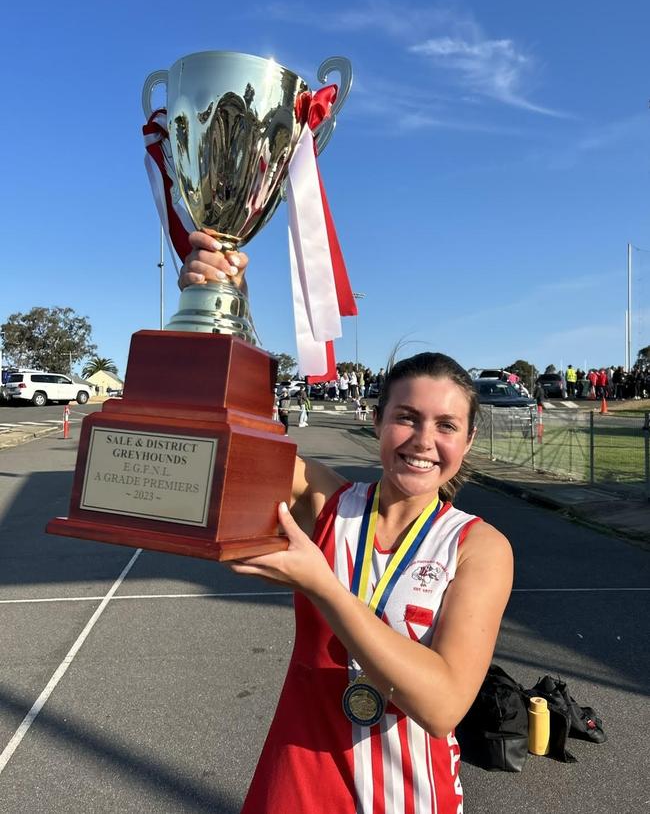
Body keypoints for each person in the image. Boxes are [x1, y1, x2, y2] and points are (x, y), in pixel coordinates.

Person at [180, 230, 514, 814]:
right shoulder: (327, 500)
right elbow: (235, 428)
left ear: (468, 438)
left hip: (409, 791)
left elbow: (442, 706)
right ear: (377, 421)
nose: (423, 442)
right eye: (406, 418)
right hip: (299, 772)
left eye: (446, 426)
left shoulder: (479, 547)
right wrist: (223, 306)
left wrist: (321, 583)